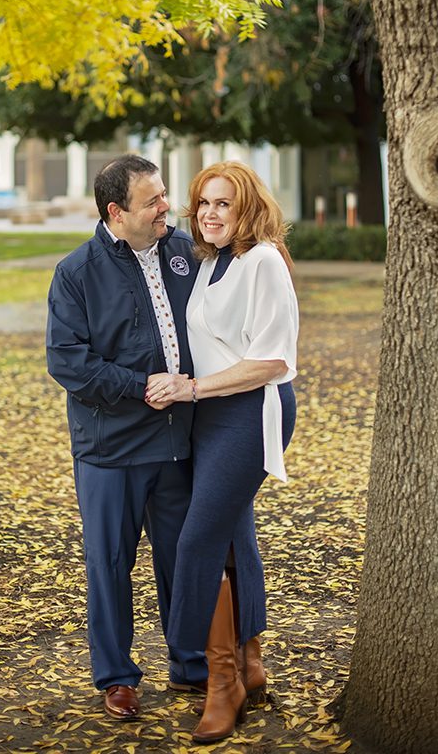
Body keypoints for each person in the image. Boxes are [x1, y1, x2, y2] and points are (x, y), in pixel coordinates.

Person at [46, 154, 207, 722]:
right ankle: (116, 676)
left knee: (183, 559)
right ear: (117, 212)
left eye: (164, 194)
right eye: (153, 200)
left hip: (180, 441)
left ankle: (191, 663)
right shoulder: (76, 272)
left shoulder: (186, 252)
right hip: (110, 449)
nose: (167, 206)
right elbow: (68, 363)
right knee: (109, 563)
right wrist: (143, 387)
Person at [146, 161, 299, 743]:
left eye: (223, 205)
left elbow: (274, 360)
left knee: (199, 538)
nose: (209, 214)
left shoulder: (263, 261)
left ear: (247, 209)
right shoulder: (210, 262)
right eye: (202, 203)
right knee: (235, 535)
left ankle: (221, 680)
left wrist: (192, 388)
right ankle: (251, 662)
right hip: (209, 416)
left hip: (249, 412)